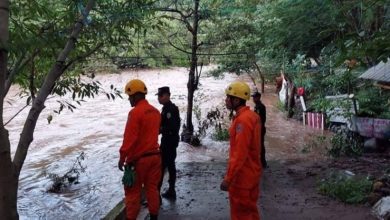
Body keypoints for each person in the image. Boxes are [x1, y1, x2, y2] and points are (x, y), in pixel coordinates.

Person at [118, 79, 162, 220]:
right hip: (155, 158)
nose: (129, 100)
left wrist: (122, 158)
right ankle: (154, 217)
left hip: (138, 161)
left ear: (136, 95)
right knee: (152, 189)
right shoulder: (156, 112)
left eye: (130, 97)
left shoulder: (135, 113)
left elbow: (129, 139)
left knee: (132, 194)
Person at [220, 81, 262, 220]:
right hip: (252, 173)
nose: (226, 100)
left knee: (241, 215)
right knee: (251, 211)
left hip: (242, 177)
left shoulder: (242, 121)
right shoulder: (252, 117)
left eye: (228, 97)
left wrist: (228, 178)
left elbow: (240, 153)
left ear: (236, 100)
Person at [156, 86, 181, 200]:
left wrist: (160, 129)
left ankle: (157, 195)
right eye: (158, 96)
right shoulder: (167, 108)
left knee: (162, 167)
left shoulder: (170, 109)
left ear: (167, 95)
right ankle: (170, 190)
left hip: (169, 142)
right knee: (170, 166)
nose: (159, 98)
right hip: (169, 141)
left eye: (161, 96)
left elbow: (172, 127)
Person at [252, 91, 268, 168]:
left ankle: (263, 162)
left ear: (258, 98)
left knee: (260, 145)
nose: (253, 99)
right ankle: (261, 162)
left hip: (260, 129)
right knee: (259, 145)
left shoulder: (260, 107)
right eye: (253, 97)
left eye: (254, 97)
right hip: (259, 128)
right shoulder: (257, 106)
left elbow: (259, 119)